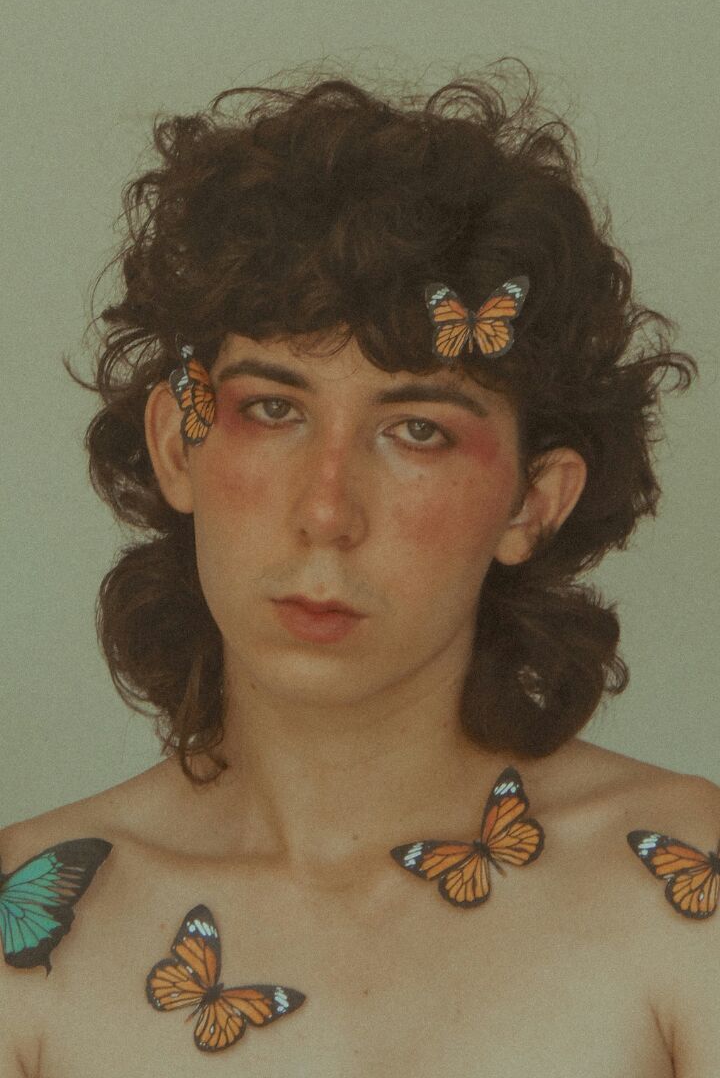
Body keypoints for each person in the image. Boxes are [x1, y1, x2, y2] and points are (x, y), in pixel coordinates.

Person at [1, 62, 717, 1076]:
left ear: (534, 500)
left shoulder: (682, 891)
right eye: (273, 409)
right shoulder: (34, 939)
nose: (327, 512)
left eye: (417, 429)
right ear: (175, 445)